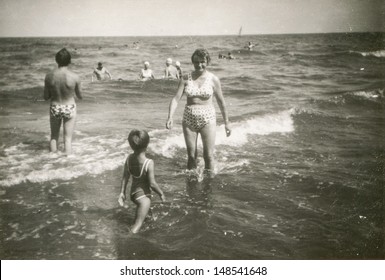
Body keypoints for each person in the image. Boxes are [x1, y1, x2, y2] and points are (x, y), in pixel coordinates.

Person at [166, 48, 231, 176]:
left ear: (207, 62)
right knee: (191, 156)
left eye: (202, 62)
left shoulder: (213, 79)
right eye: (196, 62)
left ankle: (209, 184)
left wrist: (227, 123)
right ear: (192, 62)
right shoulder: (185, 78)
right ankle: (191, 185)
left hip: (208, 119)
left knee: (208, 156)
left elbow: (221, 102)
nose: (199, 65)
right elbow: (175, 99)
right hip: (189, 119)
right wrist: (170, 117)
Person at [118, 129, 166, 233]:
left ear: (131, 145)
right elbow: (152, 184)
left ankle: (147, 229)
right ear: (147, 144)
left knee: (148, 217)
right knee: (137, 225)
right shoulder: (148, 163)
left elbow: (125, 176)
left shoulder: (129, 158)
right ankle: (126, 240)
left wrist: (122, 192)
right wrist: (161, 193)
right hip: (143, 197)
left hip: (134, 194)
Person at [44, 48, 82, 154]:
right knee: (67, 139)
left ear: (56, 60)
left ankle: (52, 160)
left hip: (55, 107)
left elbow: (46, 96)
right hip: (69, 107)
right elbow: (80, 96)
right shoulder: (75, 77)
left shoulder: (49, 76)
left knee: (54, 136)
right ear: (69, 61)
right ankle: (67, 163)